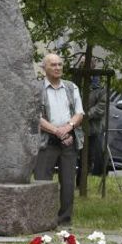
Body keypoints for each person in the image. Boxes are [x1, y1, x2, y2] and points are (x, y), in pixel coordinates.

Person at [35, 53, 84, 226]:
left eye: (59, 65)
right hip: (46, 141)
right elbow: (35, 117)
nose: (57, 68)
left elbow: (79, 113)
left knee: (69, 182)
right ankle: (42, 219)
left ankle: (64, 220)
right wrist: (57, 131)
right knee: (42, 181)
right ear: (44, 68)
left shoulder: (72, 87)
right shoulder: (37, 88)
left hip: (68, 139)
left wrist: (68, 128)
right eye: (53, 65)